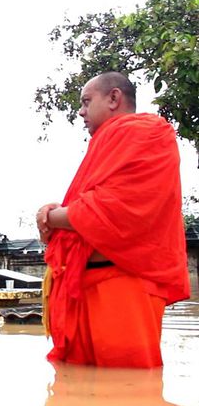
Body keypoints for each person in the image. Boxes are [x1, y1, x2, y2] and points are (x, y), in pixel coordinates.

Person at [36, 71, 190, 367]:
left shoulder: (148, 133)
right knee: (77, 395)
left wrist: (51, 217)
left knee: (132, 391)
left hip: (123, 284)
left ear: (114, 98)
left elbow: (113, 209)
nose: (80, 111)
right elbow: (91, 205)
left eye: (86, 101)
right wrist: (55, 217)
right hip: (82, 284)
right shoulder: (106, 143)